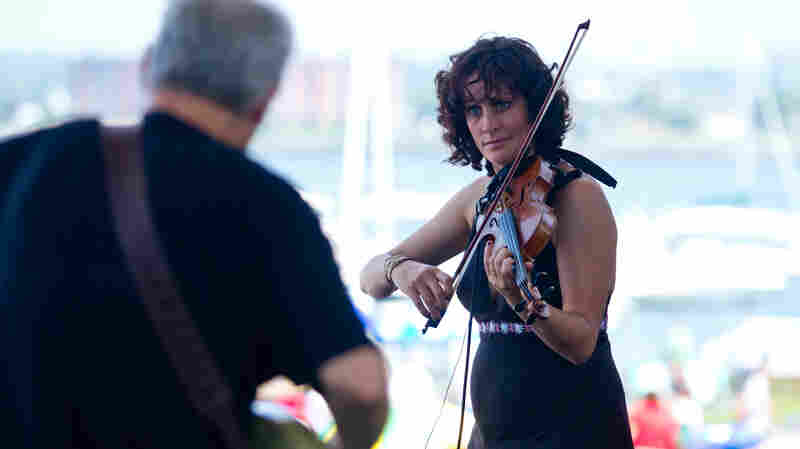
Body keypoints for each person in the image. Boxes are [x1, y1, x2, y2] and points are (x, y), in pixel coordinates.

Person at [1, 1, 388, 448]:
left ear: (151, 66)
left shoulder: (15, 164)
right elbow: (361, 386)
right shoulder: (264, 206)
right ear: (265, 97)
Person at [360, 36, 633, 448]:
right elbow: (370, 278)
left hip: (574, 429)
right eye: (474, 109)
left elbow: (580, 343)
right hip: (493, 434)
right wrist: (401, 268)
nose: (487, 122)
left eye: (501, 104)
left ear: (534, 109)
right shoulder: (480, 198)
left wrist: (521, 298)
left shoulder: (575, 196)